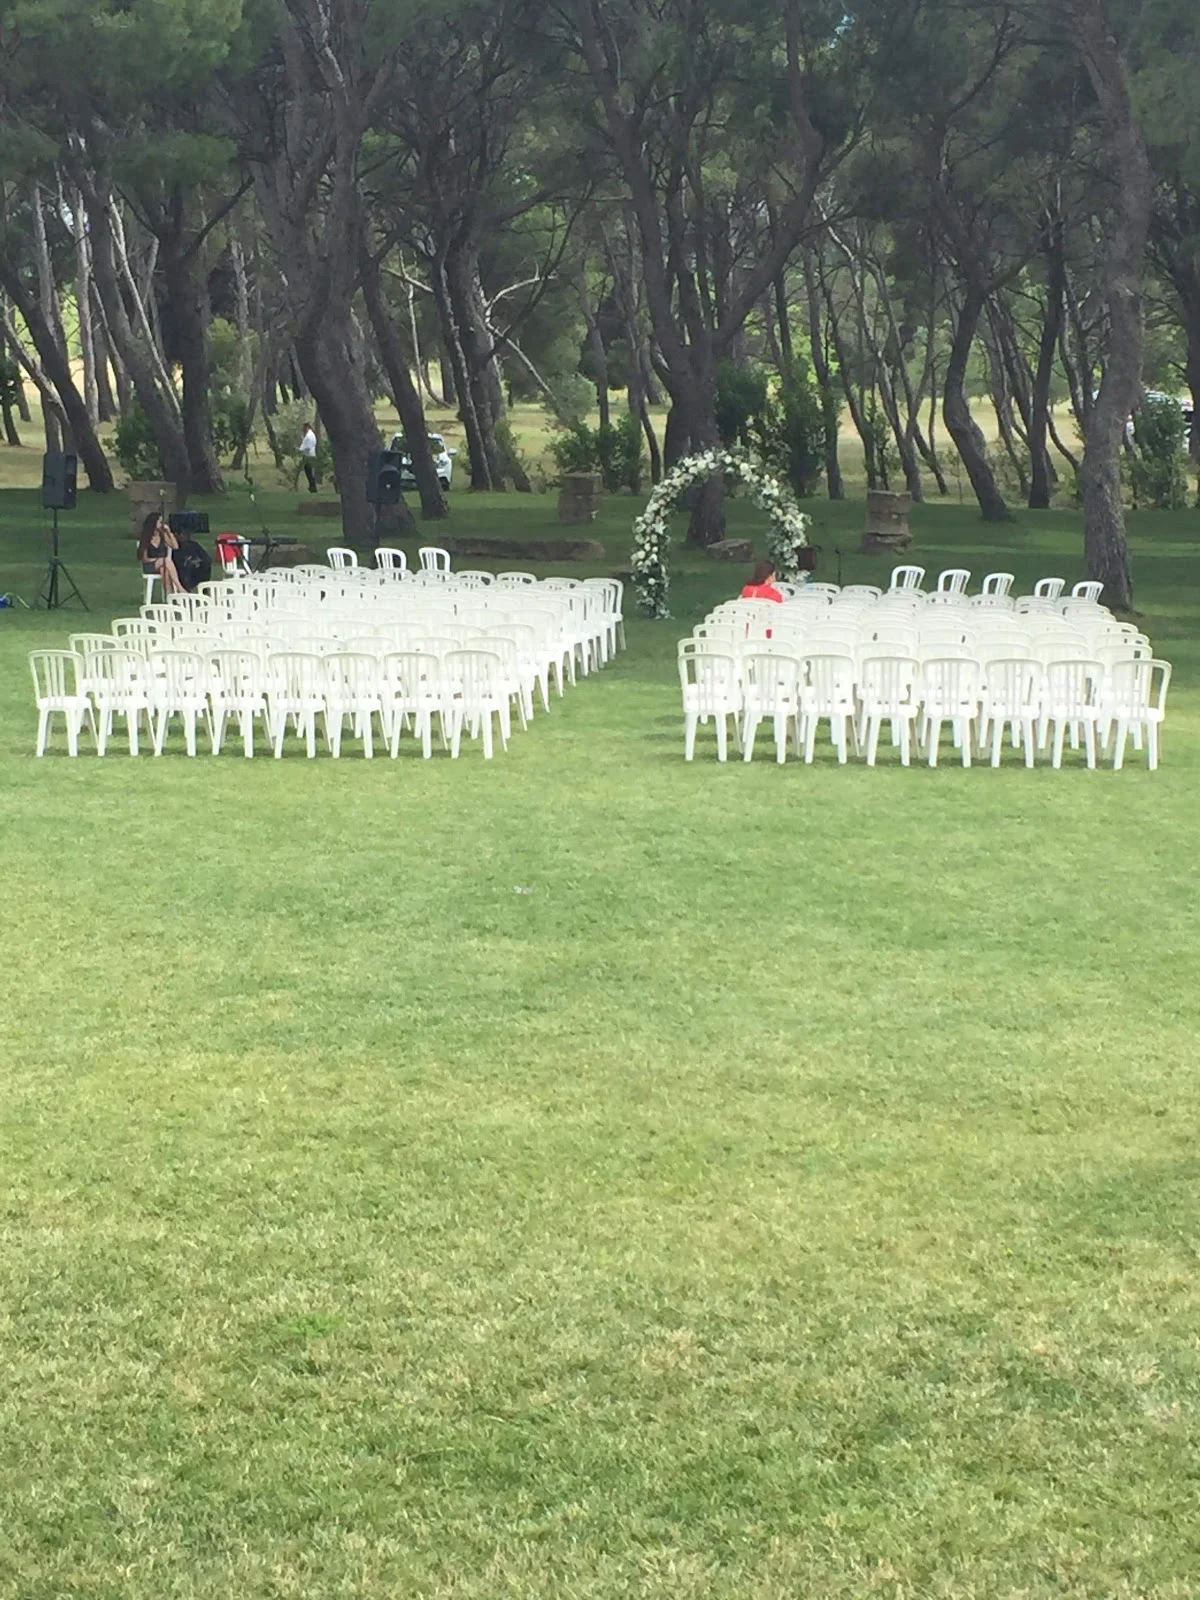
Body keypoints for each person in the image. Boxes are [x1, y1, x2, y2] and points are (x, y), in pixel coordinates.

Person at [137, 511, 185, 594]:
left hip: (163, 565)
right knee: (166, 560)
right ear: (154, 523)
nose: (162, 524)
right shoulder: (146, 538)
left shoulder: (162, 535)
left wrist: (169, 532)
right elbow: (145, 559)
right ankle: (180, 588)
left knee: (164, 570)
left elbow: (175, 546)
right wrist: (159, 560)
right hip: (150, 566)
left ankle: (168, 595)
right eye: (160, 522)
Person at [300, 422, 319, 493]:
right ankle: (312, 487)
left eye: (303, 428)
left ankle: (313, 488)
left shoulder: (309, 436)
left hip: (308, 456)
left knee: (309, 473)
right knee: (309, 472)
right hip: (310, 455)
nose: (302, 429)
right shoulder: (310, 435)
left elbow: (307, 447)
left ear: (307, 427)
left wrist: (301, 450)